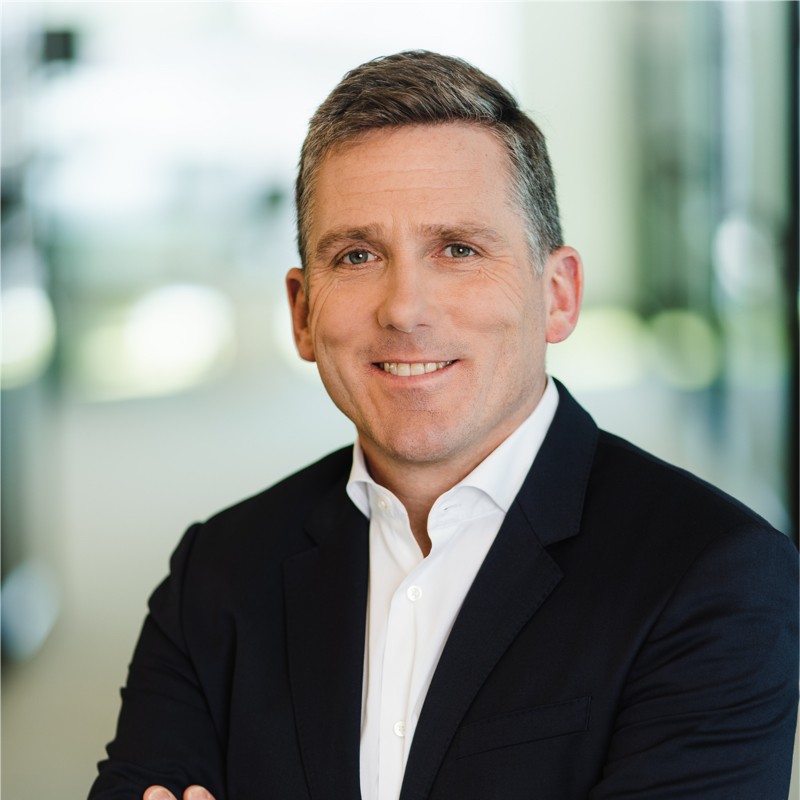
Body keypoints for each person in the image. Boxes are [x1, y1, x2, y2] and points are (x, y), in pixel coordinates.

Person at [89, 51, 798, 800]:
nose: (405, 308)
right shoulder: (217, 572)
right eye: (357, 255)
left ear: (558, 294)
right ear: (302, 313)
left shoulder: (713, 576)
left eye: (458, 250)